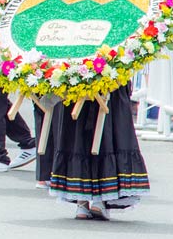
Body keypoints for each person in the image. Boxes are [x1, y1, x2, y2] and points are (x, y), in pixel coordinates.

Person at [48, 85, 149, 220]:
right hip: (105, 82)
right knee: (106, 132)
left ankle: (82, 203)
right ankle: (99, 201)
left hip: (78, 81)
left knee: (79, 134)